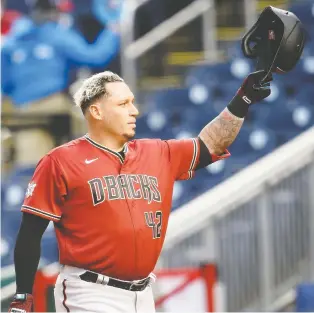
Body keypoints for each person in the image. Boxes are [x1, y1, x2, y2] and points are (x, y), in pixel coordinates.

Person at [8, 69, 271, 313]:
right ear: (96, 112)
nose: (134, 110)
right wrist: (22, 295)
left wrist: (243, 99)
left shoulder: (158, 152)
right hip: (88, 292)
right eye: (123, 104)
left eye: (133, 102)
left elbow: (211, 145)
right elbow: (31, 232)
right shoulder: (60, 161)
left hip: (143, 293)